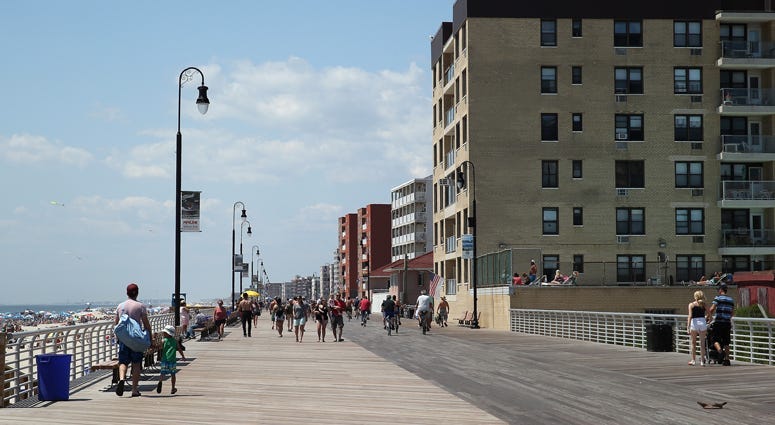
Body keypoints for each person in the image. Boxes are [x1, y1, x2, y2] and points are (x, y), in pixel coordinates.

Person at [114, 283, 152, 397]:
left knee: (123, 362)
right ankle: (134, 389)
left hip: (124, 339)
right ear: (138, 292)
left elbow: (116, 324)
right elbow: (146, 324)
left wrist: (118, 338)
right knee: (136, 364)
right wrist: (150, 338)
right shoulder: (140, 306)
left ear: (127, 293)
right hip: (136, 340)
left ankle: (121, 379)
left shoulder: (120, 306)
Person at [708, 284, 735, 366]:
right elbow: (732, 312)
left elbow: (712, 309)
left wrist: (707, 318)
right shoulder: (731, 300)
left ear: (720, 290)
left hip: (719, 322)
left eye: (718, 290)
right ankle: (727, 360)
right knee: (726, 342)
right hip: (727, 323)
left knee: (714, 339)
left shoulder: (718, 298)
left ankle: (720, 352)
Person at [157, 325, 186, 394]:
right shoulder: (175, 341)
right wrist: (183, 356)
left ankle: (160, 381)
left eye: (164, 333)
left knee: (162, 373)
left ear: (167, 333)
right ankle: (173, 388)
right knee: (173, 374)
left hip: (164, 359)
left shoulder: (164, 340)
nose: (163, 334)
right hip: (172, 360)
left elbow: (159, 347)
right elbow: (179, 349)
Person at [686, 290, 708, 366]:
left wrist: (688, 327)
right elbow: (710, 314)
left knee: (693, 342)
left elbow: (690, 316)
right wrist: (708, 320)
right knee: (702, 343)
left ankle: (693, 360)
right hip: (702, 322)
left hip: (694, 323)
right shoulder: (704, 304)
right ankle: (702, 361)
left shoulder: (691, 305)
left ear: (695, 296)